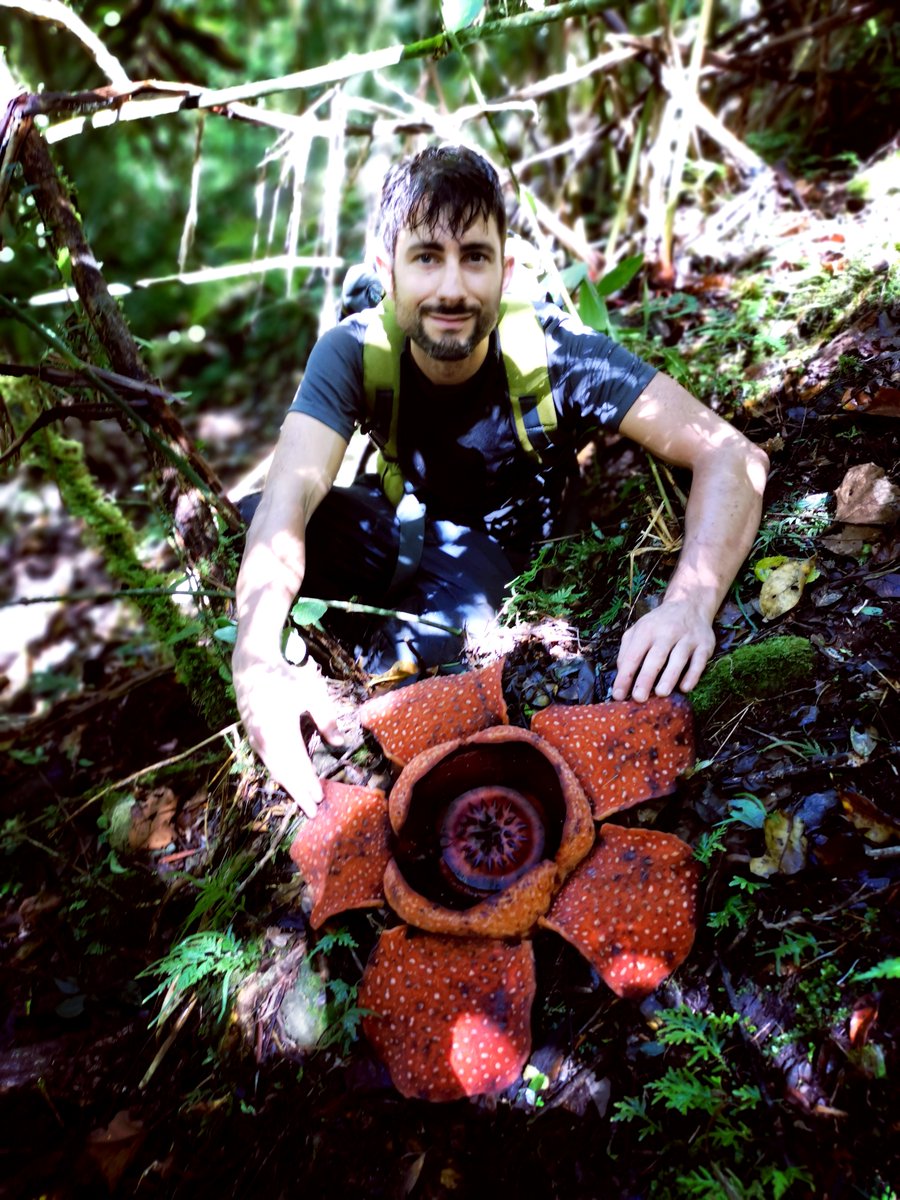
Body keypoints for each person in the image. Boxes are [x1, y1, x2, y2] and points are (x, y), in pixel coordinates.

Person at [233, 145, 769, 816]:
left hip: (494, 562)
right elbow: (291, 495)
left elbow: (731, 456)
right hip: (400, 523)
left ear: (504, 270)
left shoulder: (554, 351)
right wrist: (256, 660)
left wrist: (689, 603)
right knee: (244, 528)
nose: (452, 288)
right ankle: (308, 677)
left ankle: (356, 681)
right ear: (387, 273)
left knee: (443, 656)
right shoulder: (353, 350)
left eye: (474, 257)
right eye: (427, 257)